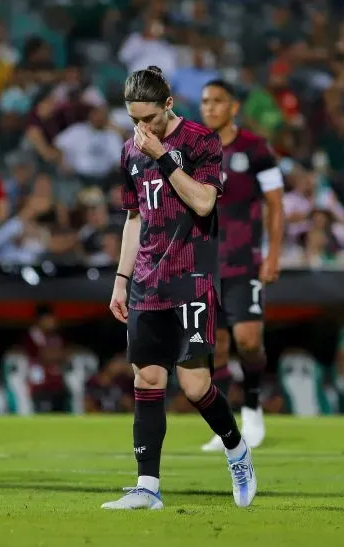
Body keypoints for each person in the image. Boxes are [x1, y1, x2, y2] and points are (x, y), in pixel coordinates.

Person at [104, 66, 257, 510]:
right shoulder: (129, 151)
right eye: (134, 118)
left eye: (148, 118)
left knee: (194, 387)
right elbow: (134, 219)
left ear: (168, 105)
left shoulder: (200, 141)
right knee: (147, 378)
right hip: (146, 283)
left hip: (191, 280)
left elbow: (205, 201)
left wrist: (164, 156)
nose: (141, 128)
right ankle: (147, 488)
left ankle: (236, 450)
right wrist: (120, 280)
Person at [197, 79, 283, 451]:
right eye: (204, 102)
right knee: (213, 348)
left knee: (248, 341)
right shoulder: (192, 149)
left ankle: (252, 407)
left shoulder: (256, 149)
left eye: (218, 101)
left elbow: (276, 204)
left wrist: (274, 254)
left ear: (234, 107)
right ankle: (227, 426)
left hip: (244, 260)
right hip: (203, 262)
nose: (210, 108)